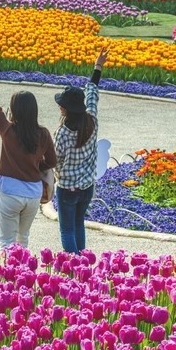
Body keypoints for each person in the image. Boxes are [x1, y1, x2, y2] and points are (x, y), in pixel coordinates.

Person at [0, 58, 57, 250]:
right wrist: (36, 165)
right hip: (33, 194)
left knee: (7, 242)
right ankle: (25, 268)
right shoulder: (43, 133)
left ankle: (10, 269)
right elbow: (52, 161)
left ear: (14, 110)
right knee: (23, 239)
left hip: (10, 191)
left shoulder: (8, 130)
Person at [52, 49, 108, 254]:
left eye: (62, 105)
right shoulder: (91, 119)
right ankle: (83, 263)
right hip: (87, 186)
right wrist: (98, 66)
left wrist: (56, 173)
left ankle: (74, 266)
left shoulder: (63, 133)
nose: (59, 107)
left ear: (66, 109)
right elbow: (92, 91)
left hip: (67, 188)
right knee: (78, 224)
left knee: (67, 230)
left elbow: (56, 159)